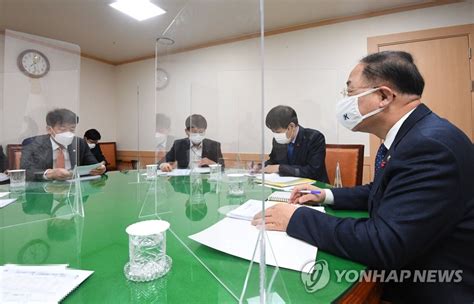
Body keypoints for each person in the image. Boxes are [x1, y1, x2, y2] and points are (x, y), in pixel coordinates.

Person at [252, 51, 474, 303]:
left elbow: (384, 242)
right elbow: (380, 189)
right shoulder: (411, 136)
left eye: (350, 93)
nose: (344, 102)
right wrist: (325, 194)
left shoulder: (430, 146)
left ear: (383, 96)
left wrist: (296, 218)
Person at [21, 108, 106, 181]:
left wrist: (100, 169)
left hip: (73, 191)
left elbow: (93, 164)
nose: (68, 133)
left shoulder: (80, 143)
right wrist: (49, 174)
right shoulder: (33, 143)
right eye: (62, 129)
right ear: (49, 129)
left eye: (72, 129)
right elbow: (25, 171)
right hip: (45, 192)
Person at [263, 105, 329, 183]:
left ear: (291, 126)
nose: (276, 135)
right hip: (285, 186)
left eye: (277, 132)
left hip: (314, 187)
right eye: (273, 132)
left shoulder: (314, 137)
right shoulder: (278, 140)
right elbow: (274, 161)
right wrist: (261, 166)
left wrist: (280, 168)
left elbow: (313, 171)